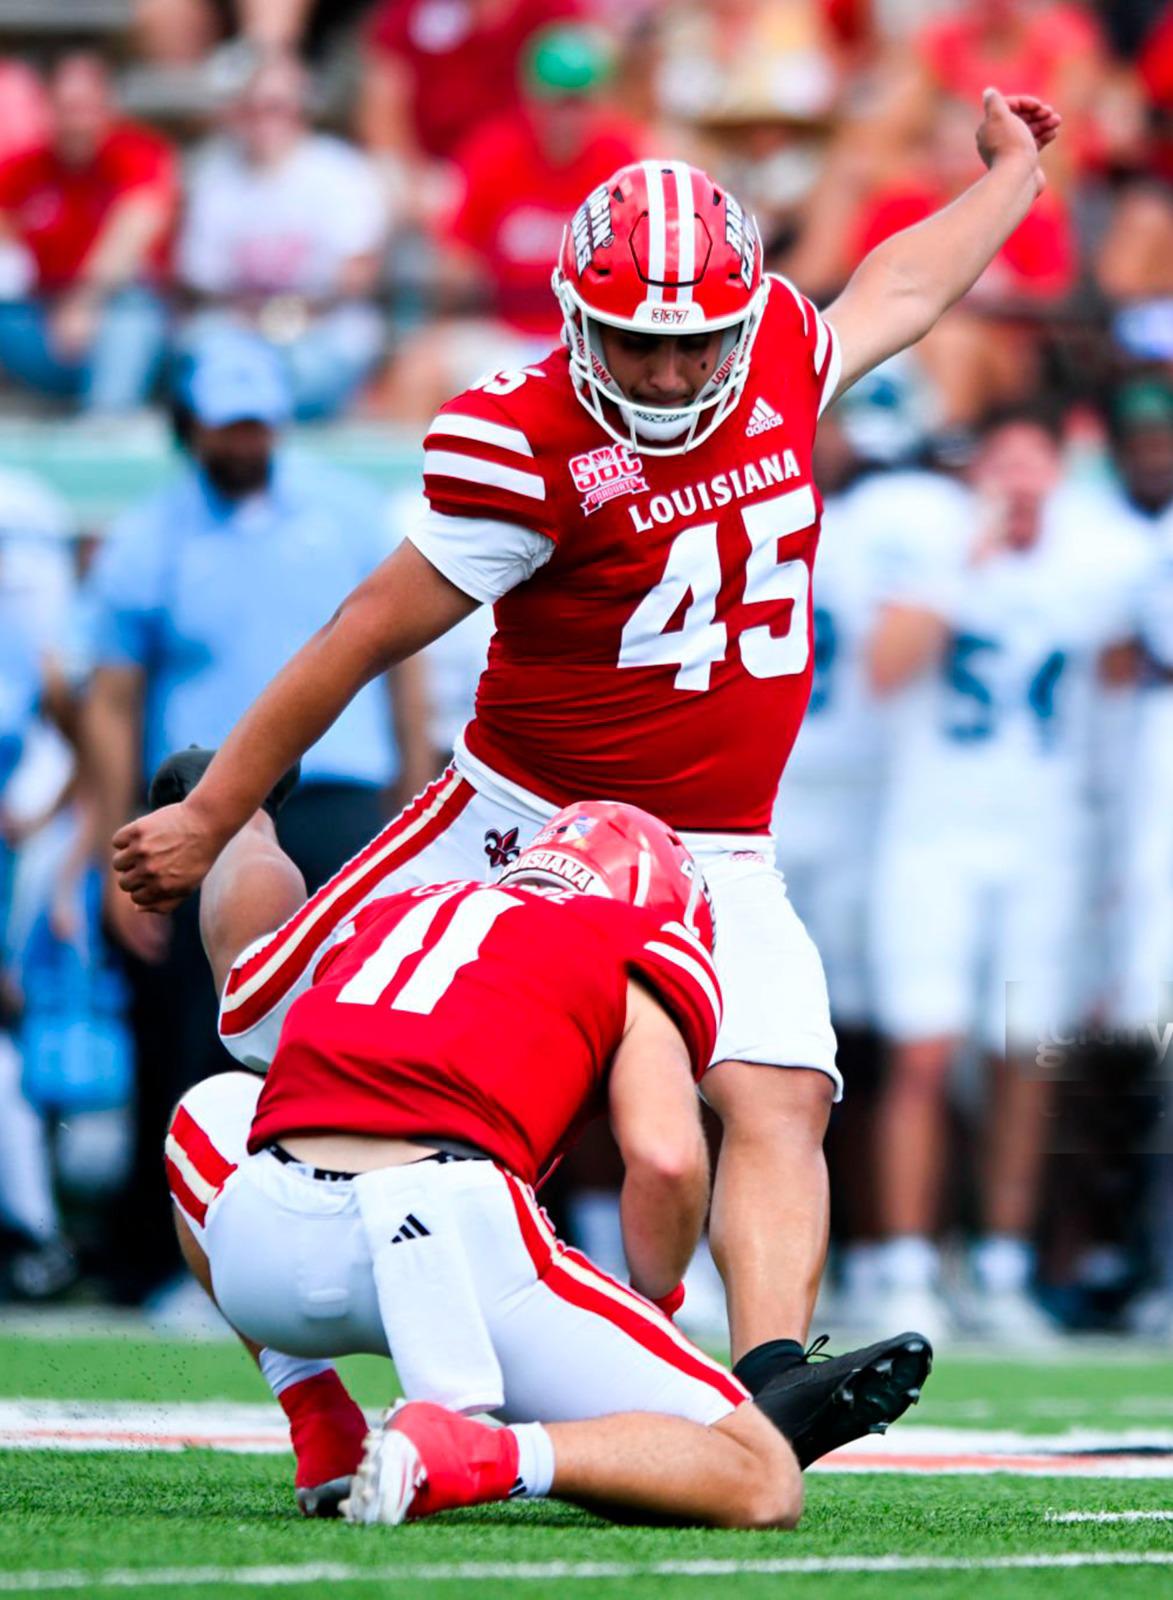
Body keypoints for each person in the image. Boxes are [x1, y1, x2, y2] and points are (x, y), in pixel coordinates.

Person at [112, 92, 1060, 1435]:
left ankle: (773, 1375)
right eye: (638, 342)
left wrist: (1013, 181)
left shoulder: (781, 346)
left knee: (779, 1088)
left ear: (742, 317)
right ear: (575, 316)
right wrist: (213, 816)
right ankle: (250, 834)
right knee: (279, 1036)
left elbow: (898, 284)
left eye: (695, 343)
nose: (670, 374)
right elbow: (359, 638)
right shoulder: (523, 441)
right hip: (515, 816)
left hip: (716, 844)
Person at [166, 792, 805, 1524]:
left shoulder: (402, 906)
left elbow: (248, 987)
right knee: (761, 1476)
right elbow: (664, 1159)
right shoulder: (633, 937)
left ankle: (317, 1417)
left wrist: (241, 825)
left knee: (211, 1106)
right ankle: (477, 1453)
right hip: (449, 1244)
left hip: (263, 1251)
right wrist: (651, 1307)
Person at [84, 331, 432, 1299]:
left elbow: (398, 662)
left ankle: (371, 1241)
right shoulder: (149, 534)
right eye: (226, 424)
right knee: (200, 1031)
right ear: (190, 426)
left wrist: (411, 797)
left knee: (362, 1024)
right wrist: (121, 839)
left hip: (342, 798)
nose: (245, 441)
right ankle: (197, 1258)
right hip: (205, 804)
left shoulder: (349, 511)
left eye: (257, 422)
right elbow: (113, 696)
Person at [865, 407, 1151, 1343]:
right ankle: (907, 1267)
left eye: (1037, 464)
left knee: (1025, 1052)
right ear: (972, 476)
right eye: (1004, 463)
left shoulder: (1097, 564)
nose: (1021, 482)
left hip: (1044, 839)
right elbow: (882, 669)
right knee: (922, 1050)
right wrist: (971, 555)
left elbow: (1119, 692)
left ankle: (1001, 1266)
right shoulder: (932, 556)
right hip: (931, 834)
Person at [177, 53, 389, 421]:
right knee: (202, 351)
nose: (263, 121)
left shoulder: (341, 173)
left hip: (323, 330)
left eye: (276, 107)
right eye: (251, 108)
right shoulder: (215, 177)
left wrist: (287, 317)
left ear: (301, 110)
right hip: (240, 328)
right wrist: (258, 320)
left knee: (306, 372)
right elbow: (200, 280)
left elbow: (356, 276)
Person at [0, 53, 176, 414]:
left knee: (131, 319)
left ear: (107, 108)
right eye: (66, 108)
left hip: (117, 308)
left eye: (85, 108)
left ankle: (104, 430)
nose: (75, 121)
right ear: (46, 109)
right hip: (43, 314)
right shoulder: (25, 167)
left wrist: (84, 303)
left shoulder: (139, 153)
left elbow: (135, 226)